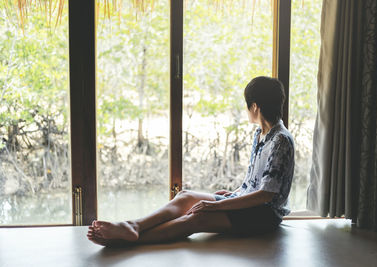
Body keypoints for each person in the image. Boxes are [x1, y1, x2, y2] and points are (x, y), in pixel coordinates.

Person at [87, 76, 295, 247]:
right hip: (247, 201)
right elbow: (253, 183)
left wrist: (216, 206)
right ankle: (133, 226)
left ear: (255, 107)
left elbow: (266, 194)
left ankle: (127, 241)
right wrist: (232, 194)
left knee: (197, 218)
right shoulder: (261, 134)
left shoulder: (280, 141)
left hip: (263, 216)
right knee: (186, 196)